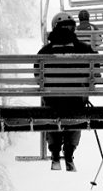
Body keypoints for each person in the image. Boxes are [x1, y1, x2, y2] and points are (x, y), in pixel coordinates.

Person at [37, 11, 97, 172]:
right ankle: (69, 151)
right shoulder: (84, 49)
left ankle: (55, 152)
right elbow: (95, 71)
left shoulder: (44, 52)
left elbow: (38, 76)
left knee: (51, 111)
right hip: (76, 101)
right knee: (75, 113)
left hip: (52, 101)